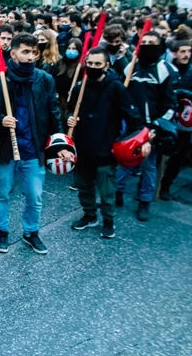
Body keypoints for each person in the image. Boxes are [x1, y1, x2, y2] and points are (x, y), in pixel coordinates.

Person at [0, 33, 66, 255]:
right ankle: (1, 231)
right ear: (13, 53)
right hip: (4, 148)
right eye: (26, 52)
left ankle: (31, 232)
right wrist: (1, 119)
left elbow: (54, 112)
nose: (31, 57)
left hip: (33, 148)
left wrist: (61, 143)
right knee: (1, 192)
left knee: (34, 195)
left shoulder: (44, 79)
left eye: (34, 53)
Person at [67, 47, 148, 239]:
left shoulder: (116, 87)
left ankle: (108, 220)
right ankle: (89, 215)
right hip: (83, 147)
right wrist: (70, 118)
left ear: (107, 65)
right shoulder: (80, 88)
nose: (93, 67)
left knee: (107, 190)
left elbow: (134, 119)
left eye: (97, 64)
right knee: (83, 186)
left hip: (105, 149)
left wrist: (125, 143)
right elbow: (70, 111)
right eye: (90, 63)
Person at [117, 31, 178, 221]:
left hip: (152, 128)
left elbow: (171, 105)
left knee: (148, 166)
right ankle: (117, 193)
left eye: (152, 43)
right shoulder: (130, 67)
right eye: (144, 42)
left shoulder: (166, 70)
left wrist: (155, 128)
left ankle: (144, 201)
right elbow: (122, 94)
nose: (148, 46)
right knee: (123, 161)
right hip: (130, 124)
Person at [160, 40, 192, 199]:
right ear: (174, 53)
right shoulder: (165, 69)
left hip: (184, 120)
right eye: (182, 51)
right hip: (166, 117)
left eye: (188, 51)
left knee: (178, 155)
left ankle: (166, 185)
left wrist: (190, 100)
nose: (186, 55)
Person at [55, 38, 83, 129]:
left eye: (74, 49)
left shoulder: (81, 67)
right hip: (59, 100)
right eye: (69, 48)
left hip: (71, 101)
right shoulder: (60, 63)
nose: (71, 51)